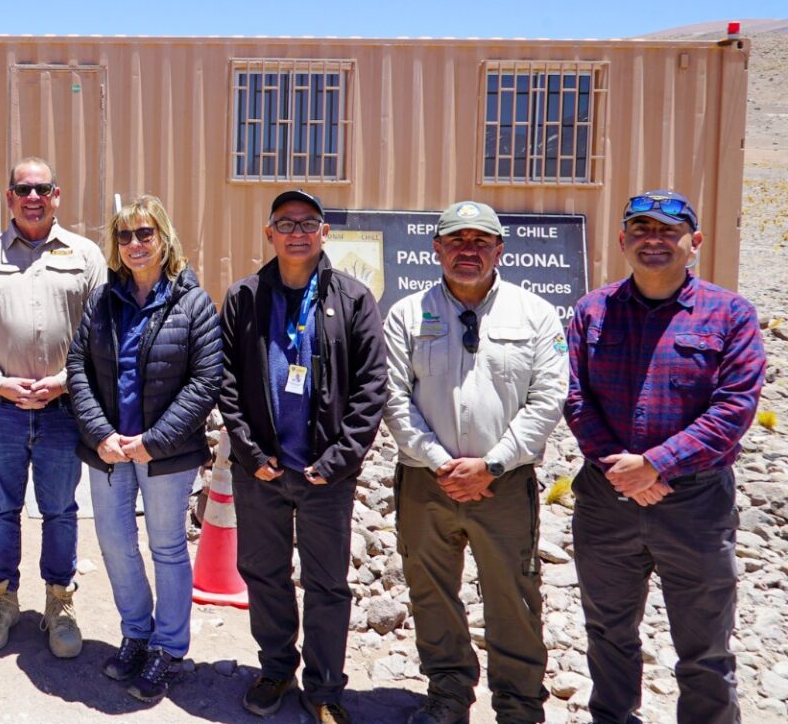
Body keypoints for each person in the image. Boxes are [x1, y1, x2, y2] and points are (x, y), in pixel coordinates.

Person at [565, 190, 765, 724]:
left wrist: (656, 464)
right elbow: (575, 398)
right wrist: (621, 468)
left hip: (695, 504)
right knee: (608, 633)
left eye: (668, 232)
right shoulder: (592, 312)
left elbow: (735, 409)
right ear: (623, 240)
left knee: (705, 647)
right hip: (607, 500)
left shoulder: (731, 314)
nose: (653, 240)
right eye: (641, 230)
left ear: (693, 243)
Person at [383, 202, 567, 724]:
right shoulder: (405, 314)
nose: (468, 251)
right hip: (425, 481)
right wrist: (441, 462)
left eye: (480, 241)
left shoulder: (535, 313)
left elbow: (548, 397)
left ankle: (518, 707)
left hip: (504, 485)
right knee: (431, 592)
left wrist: (493, 463)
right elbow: (395, 398)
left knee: (514, 595)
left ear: (500, 250)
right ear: (436, 248)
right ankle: (447, 697)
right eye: (456, 241)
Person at [218, 189, 388, 724]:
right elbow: (225, 383)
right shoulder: (244, 296)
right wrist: (249, 453)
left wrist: (337, 461)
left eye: (308, 222)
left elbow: (371, 389)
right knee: (263, 573)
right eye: (285, 223)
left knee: (327, 583)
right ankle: (275, 669)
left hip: (324, 477)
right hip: (262, 471)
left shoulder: (354, 298)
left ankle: (324, 687)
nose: (297, 232)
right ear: (269, 233)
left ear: (324, 233)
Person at [66, 194, 220, 703]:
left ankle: (169, 648)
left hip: (165, 455)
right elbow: (78, 370)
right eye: (125, 236)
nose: (135, 244)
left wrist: (154, 441)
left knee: (167, 547)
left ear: (164, 237)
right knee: (113, 542)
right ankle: (136, 632)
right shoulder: (103, 300)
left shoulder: (192, 302)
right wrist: (101, 435)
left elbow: (205, 381)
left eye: (145, 233)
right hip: (109, 449)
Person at [0, 155, 107, 656]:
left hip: (63, 410)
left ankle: (59, 601)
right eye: (23, 189)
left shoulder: (85, 256)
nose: (33, 198)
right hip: (2, 410)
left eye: (43, 189)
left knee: (61, 510)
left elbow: (99, 329)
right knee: (1, 508)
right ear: (10, 198)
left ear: (57, 195)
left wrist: (66, 380)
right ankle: (3, 598)